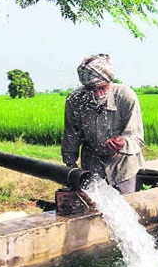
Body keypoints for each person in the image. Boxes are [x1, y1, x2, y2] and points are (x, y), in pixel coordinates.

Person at [61, 53, 145, 194]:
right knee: (94, 211)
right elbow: (71, 138)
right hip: (92, 167)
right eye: (91, 90)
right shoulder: (74, 100)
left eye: (102, 88)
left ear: (109, 82)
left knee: (126, 208)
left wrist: (122, 143)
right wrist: (71, 171)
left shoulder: (125, 96)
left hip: (123, 168)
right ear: (85, 86)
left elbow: (137, 137)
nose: (97, 94)